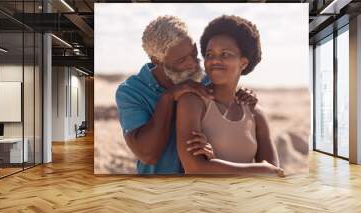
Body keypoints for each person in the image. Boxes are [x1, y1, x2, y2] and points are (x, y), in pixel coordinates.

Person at [115, 15, 257, 174]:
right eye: (182, 60)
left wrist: (242, 94)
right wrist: (168, 98)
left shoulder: (203, 78)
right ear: (157, 60)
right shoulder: (132, 91)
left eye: (194, 53)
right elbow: (148, 154)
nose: (193, 63)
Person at [176, 15, 283, 176]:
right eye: (209, 54)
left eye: (225, 54)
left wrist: (215, 163)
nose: (214, 60)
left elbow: (274, 173)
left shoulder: (256, 113)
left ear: (243, 63)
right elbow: (195, 169)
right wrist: (260, 170)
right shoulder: (192, 102)